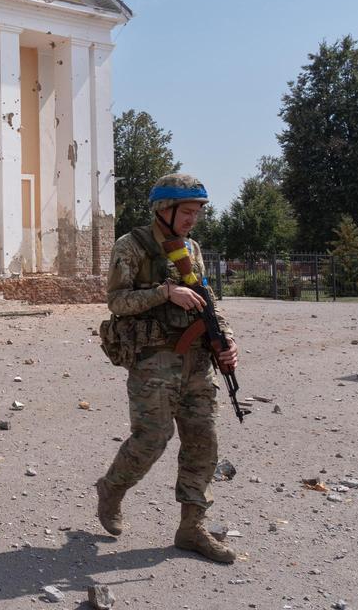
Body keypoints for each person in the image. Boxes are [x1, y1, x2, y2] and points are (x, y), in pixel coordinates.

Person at [95, 173, 240, 563]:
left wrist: (225, 340)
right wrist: (165, 291)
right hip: (154, 358)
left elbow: (207, 299)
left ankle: (191, 528)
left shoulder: (191, 248)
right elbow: (116, 301)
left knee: (203, 440)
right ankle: (111, 489)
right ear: (165, 210)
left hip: (197, 360)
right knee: (152, 438)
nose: (193, 219)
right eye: (187, 211)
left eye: (197, 212)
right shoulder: (132, 246)